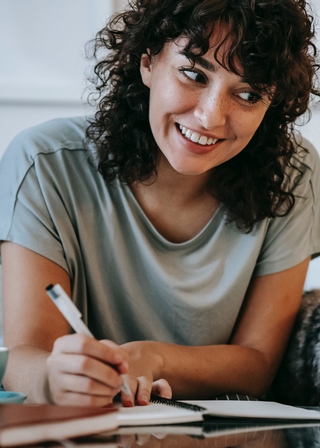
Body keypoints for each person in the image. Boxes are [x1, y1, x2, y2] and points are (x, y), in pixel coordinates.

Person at [0, 0, 319, 407]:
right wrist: (53, 379)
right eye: (193, 74)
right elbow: (25, 357)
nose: (210, 117)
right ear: (147, 62)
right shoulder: (43, 166)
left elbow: (258, 364)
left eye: (248, 93)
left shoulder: (294, 173)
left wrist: (151, 358)